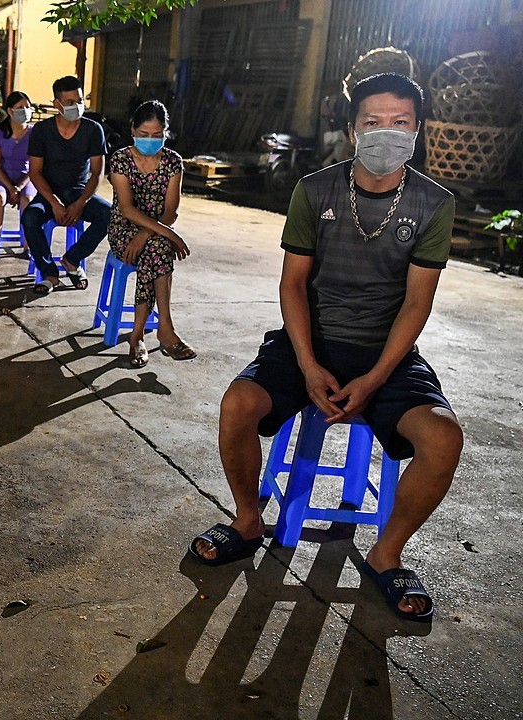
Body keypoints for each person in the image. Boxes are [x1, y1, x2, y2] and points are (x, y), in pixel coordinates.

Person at [188, 74, 461, 623]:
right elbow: (292, 284)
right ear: (352, 129)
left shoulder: (435, 204)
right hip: (307, 341)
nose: (387, 133)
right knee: (237, 403)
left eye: (400, 123)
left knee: (443, 438)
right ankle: (246, 519)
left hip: (386, 353)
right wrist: (309, 367)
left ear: (418, 130)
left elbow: (416, 304)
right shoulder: (315, 190)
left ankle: (387, 554)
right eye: (373, 123)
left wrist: (378, 376)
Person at [107, 100, 193, 366]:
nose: (150, 140)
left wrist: (147, 234)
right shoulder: (121, 159)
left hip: (155, 232)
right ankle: (163, 331)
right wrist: (170, 235)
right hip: (123, 230)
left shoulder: (172, 162)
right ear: (133, 130)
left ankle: (138, 337)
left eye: (157, 135)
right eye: (144, 134)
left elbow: (170, 211)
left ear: (166, 132)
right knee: (160, 248)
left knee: (155, 249)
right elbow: (127, 209)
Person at [23, 75, 111, 294]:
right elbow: (35, 172)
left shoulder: (93, 130)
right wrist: (54, 203)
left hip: (79, 192)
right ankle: (49, 274)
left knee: (110, 214)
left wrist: (81, 203)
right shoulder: (42, 131)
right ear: (57, 104)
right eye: (70, 103)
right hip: (48, 194)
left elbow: (97, 173)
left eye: (79, 101)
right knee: (30, 217)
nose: (77, 106)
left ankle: (72, 259)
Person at [0, 91, 36, 260]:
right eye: (20, 107)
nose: (25, 111)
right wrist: (10, 188)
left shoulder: (34, 132)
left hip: (26, 177)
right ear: (10, 111)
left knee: (27, 200)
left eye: (28, 107)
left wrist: (18, 188)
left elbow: (35, 167)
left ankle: (28, 247)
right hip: (3, 177)